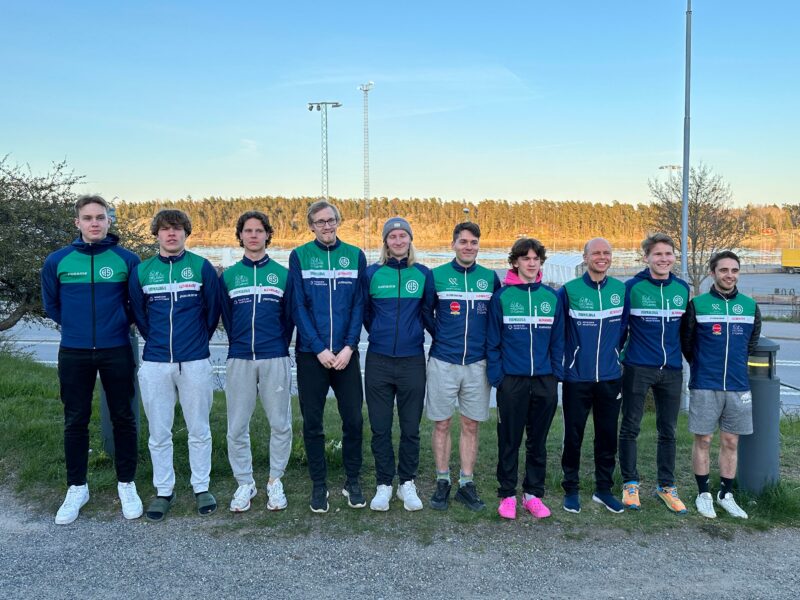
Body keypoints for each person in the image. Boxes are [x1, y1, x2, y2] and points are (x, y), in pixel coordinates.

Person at [41, 195, 142, 525]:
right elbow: (52, 305)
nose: (94, 223)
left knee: (123, 417)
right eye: (88, 218)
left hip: (116, 349)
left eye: (100, 217)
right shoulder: (58, 261)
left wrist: (119, 323)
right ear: (78, 223)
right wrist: (75, 327)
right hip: (75, 350)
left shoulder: (127, 259)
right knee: (75, 419)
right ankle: (77, 487)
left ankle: (126, 483)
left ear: (109, 221)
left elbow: (136, 303)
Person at [129, 209, 221, 521]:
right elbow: (139, 315)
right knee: (158, 432)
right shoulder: (142, 271)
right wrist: (156, 342)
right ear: (156, 233)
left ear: (185, 233)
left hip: (194, 361)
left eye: (177, 229)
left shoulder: (201, 267)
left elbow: (212, 312)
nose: (171, 234)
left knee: (199, 428)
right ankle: (164, 491)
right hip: (156, 362)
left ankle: (201, 487)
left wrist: (196, 342)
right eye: (165, 229)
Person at [289, 200, 367, 513]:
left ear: (338, 221)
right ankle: (319, 484)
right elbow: (298, 306)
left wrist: (349, 346)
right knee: (313, 423)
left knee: (354, 420)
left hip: (346, 354)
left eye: (331, 220)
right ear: (311, 226)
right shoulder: (300, 256)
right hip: (312, 355)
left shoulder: (355, 255)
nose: (327, 225)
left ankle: (352, 480)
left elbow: (359, 304)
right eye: (320, 221)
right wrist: (318, 348)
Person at [219, 211, 293, 512]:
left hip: (274, 355)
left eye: (259, 231)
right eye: (247, 231)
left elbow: (288, 318)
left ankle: (275, 480)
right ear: (240, 236)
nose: (253, 235)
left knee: (280, 423)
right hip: (240, 357)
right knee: (237, 426)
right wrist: (239, 343)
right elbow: (227, 316)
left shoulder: (283, 274)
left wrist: (277, 344)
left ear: (267, 235)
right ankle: (244, 482)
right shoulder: (229, 276)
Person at [487, 238, 564, 520]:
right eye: (525, 258)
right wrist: (498, 377)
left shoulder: (551, 297)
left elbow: (558, 340)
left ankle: (533, 494)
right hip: (512, 381)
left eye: (535, 258)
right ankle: (507, 494)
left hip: (544, 380)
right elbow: (493, 341)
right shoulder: (502, 297)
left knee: (538, 441)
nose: (531, 263)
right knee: (509, 440)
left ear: (540, 262)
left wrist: (555, 374)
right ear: (515, 262)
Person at [680, 251, 761, 519]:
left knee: (731, 441)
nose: (729, 275)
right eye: (723, 270)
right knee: (703, 439)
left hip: (738, 385)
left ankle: (725, 495)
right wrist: (703, 366)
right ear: (712, 272)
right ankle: (703, 494)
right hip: (705, 383)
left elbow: (750, 344)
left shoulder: (750, 306)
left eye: (734, 270)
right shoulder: (697, 305)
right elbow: (687, 344)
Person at [426, 222, 500, 511]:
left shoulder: (490, 278)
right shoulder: (436, 276)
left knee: (470, 424)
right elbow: (426, 312)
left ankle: (466, 483)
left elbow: (495, 318)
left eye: (473, 242)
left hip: (477, 363)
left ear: (478, 245)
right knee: (442, 423)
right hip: (443, 361)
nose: (469, 247)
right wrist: (442, 336)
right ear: (453, 244)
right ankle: (442, 479)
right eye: (463, 241)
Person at [363, 217, 434, 511]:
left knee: (410, 428)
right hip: (378, 361)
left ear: (410, 240)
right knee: (380, 427)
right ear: (385, 242)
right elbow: (366, 315)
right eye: (392, 236)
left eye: (403, 235)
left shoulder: (423, 274)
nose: (398, 240)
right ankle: (383, 484)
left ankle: (407, 483)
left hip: (411, 361)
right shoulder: (372, 273)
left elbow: (428, 313)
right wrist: (380, 334)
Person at [618, 233, 690, 513]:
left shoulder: (682, 288)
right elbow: (620, 328)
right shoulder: (632, 287)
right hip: (638, 366)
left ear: (674, 257)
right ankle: (630, 484)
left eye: (668, 254)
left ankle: (666, 486)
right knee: (630, 427)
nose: (663, 259)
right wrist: (618, 358)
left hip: (671, 369)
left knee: (668, 430)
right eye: (657, 254)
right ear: (646, 257)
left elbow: (686, 332)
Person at [558, 238, 627, 514]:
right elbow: (560, 332)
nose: (602, 257)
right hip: (577, 377)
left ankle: (603, 490)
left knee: (607, 436)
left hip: (610, 377)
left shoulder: (621, 290)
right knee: (573, 436)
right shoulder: (569, 290)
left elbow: (623, 329)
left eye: (606, 252)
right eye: (596, 253)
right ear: (585, 257)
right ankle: (571, 488)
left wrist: (615, 355)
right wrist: (566, 364)